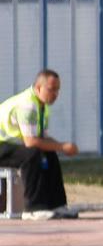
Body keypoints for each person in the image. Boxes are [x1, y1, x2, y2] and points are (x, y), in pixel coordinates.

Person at [0, 69, 79, 220]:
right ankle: (33, 209)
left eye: (57, 90)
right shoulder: (28, 105)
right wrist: (63, 147)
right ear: (38, 88)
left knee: (49, 153)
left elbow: (43, 139)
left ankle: (57, 205)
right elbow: (30, 142)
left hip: (8, 145)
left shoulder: (42, 106)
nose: (55, 94)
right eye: (51, 89)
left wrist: (61, 146)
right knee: (32, 154)